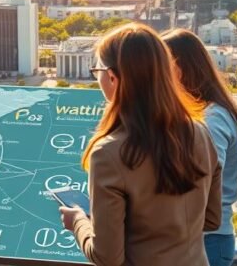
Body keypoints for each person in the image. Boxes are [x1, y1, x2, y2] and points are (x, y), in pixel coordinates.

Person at [60, 23, 222, 266]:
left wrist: (78, 223)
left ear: (112, 77)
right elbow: (211, 219)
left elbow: (107, 257)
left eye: (97, 71)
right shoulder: (199, 133)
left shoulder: (109, 153)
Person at [163, 28, 237, 266]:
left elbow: (202, 180)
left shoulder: (211, 117)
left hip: (206, 240)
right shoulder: (199, 115)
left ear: (179, 69)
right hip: (198, 238)